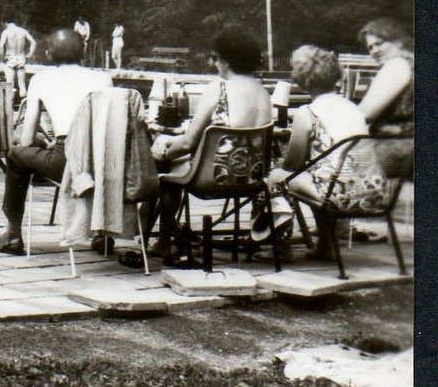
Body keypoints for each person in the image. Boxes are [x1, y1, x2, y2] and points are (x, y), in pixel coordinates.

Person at [146, 29, 274, 258]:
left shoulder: (219, 88)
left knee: (167, 174)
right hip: (252, 178)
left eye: (215, 58)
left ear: (226, 60)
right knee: (175, 156)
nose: (214, 64)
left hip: (213, 176)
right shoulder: (263, 92)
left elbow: (188, 143)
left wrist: (164, 154)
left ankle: (163, 240)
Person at [0, 27, 110, 254]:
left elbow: (26, 139)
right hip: (103, 162)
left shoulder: (42, 79)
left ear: (48, 55)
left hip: (67, 162)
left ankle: (12, 234)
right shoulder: (104, 79)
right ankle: (102, 235)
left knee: (16, 155)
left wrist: (41, 142)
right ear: (83, 52)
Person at [267, 45, 379, 259]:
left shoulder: (307, 112)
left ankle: (278, 246)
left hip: (341, 196)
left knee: (278, 176)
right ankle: (327, 246)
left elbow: (293, 165)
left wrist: (279, 165)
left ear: (301, 79)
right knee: (326, 174)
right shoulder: (352, 108)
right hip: (373, 193)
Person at [356, 17, 413, 180]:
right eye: (370, 47)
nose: (374, 51)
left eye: (379, 43)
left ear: (399, 41)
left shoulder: (397, 64)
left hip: (393, 151)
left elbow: (364, 114)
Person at [0, 20, 36, 102]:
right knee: (22, 84)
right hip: (20, 57)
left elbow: (1, 46)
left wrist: (2, 57)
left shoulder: (6, 32)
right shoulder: (23, 31)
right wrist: (29, 55)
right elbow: (34, 43)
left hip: (10, 58)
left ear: (5, 23)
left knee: (10, 85)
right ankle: (24, 107)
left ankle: (10, 106)